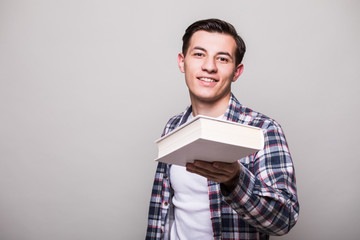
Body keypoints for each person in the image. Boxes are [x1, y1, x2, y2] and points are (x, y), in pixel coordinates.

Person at [146, 18, 299, 240]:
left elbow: (284, 220)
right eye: (199, 54)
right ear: (182, 62)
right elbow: (160, 214)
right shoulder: (174, 126)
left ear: (237, 72)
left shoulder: (262, 129)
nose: (209, 66)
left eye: (223, 58)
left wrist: (236, 180)